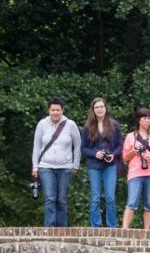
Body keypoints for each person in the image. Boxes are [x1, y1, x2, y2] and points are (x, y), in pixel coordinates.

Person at [31, 97, 82, 227]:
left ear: (62, 110)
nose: (55, 112)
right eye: (53, 110)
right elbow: (36, 146)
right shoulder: (42, 124)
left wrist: (75, 165)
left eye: (58, 110)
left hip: (65, 166)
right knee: (49, 198)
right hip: (45, 166)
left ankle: (62, 228)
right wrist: (35, 166)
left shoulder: (70, 125)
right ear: (49, 110)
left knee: (61, 199)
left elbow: (77, 146)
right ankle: (50, 227)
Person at [81, 97, 123, 228]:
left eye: (101, 107)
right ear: (93, 110)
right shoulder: (88, 127)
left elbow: (119, 145)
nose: (99, 109)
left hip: (109, 165)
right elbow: (83, 148)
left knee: (110, 197)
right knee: (95, 198)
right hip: (94, 165)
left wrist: (113, 155)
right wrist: (95, 154)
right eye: (96, 107)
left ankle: (112, 226)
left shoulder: (114, 125)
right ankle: (96, 226)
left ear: (106, 108)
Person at [121, 108, 150, 230]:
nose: (147, 121)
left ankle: (146, 232)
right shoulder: (130, 136)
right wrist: (133, 152)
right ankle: (124, 230)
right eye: (144, 118)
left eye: (149, 118)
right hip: (135, 173)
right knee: (132, 202)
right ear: (139, 120)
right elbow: (124, 157)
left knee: (149, 204)